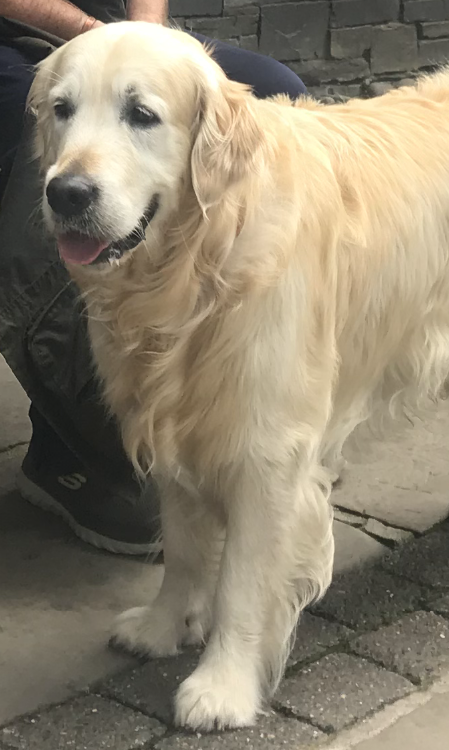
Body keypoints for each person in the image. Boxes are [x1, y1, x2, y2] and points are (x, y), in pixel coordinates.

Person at [0, 0, 306, 554]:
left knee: (277, 86)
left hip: (107, 39)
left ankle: (252, 374)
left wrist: (144, 38)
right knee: (39, 162)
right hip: (27, 40)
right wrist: (108, 41)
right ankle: (75, 449)